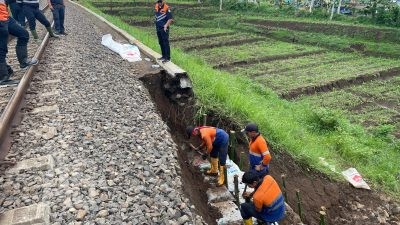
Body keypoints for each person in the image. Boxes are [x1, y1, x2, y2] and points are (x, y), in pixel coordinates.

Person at [1, 0, 38, 85]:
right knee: (2, 48)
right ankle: (3, 78)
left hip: (5, 16)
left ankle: (23, 62)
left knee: (23, 34)